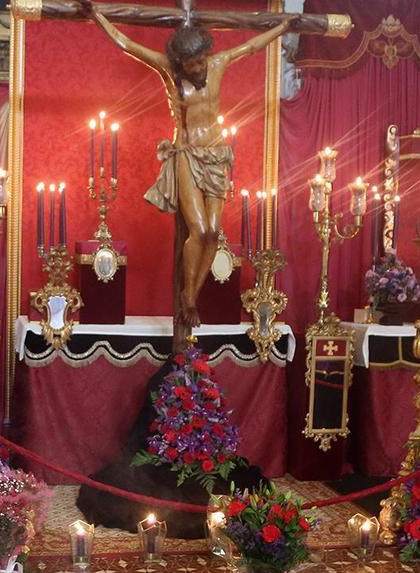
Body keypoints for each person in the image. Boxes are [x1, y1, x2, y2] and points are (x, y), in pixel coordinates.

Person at [82, 0, 293, 331]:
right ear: (179, 62)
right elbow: (127, 45)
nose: (196, 69)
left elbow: (252, 45)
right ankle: (188, 299)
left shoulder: (219, 62)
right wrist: (97, 16)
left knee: (213, 231)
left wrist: (284, 27)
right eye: (190, 64)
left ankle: (192, 292)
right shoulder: (169, 69)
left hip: (217, 154)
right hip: (186, 154)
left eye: (198, 61)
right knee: (198, 229)